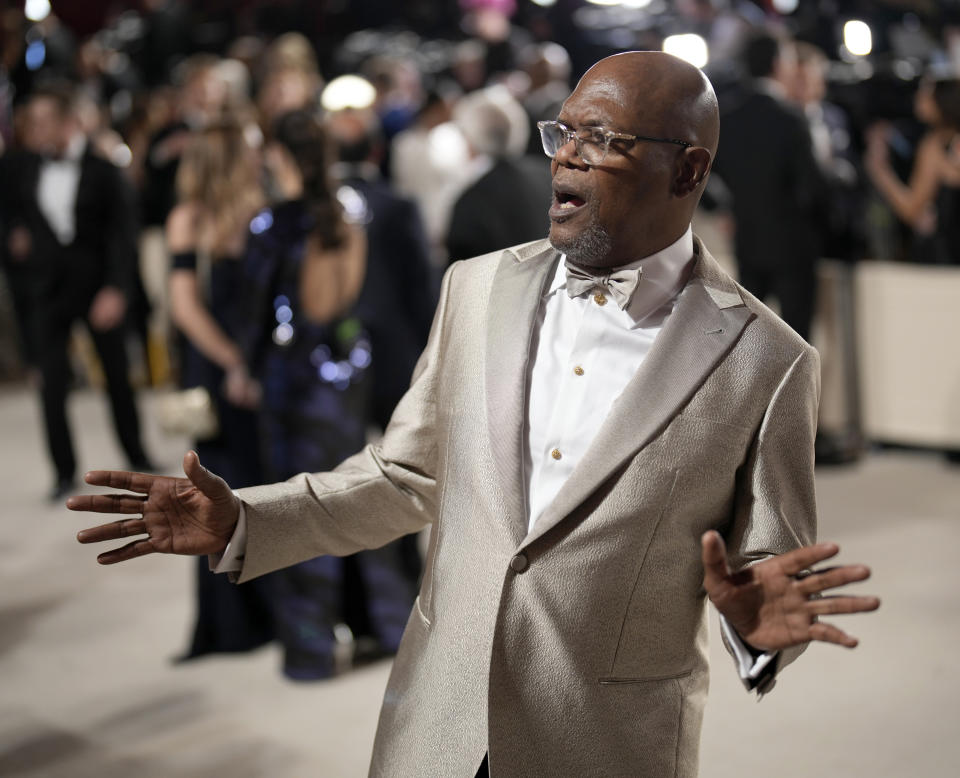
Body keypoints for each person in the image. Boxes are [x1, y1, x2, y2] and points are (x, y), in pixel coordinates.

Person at [69, 52, 879, 778]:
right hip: (438, 727)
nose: (567, 152)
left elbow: (776, 577)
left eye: (604, 139)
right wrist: (246, 517)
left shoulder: (768, 362)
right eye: (563, 131)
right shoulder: (477, 287)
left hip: (609, 746)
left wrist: (762, 630)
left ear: (689, 170)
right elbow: (402, 477)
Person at [242, 109, 417, 678]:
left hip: (294, 385)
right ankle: (387, 627)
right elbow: (341, 304)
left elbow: (274, 313)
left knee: (297, 513)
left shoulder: (278, 224)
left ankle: (311, 650)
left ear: (282, 157)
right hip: (348, 373)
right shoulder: (350, 214)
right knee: (354, 501)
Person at [3, 84, 153, 500]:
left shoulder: (104, 170)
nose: (35, 130)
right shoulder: (24, 168)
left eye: (44, 122)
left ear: (69, 122)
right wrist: (15, 237)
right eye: (31, 123)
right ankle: (63, 472)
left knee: (117, 378)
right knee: (51, 386)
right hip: (47, 293)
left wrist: (117, 289)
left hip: (98, 290)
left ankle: (138, 456)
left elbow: (124, 235)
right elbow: (12, 216)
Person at [165, 119, 274, 660]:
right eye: (253, 149)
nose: (262, 157)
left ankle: (274, 614)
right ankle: (233, 624)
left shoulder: (262, 212)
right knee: (218, 492)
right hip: (219, 365)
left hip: (259, 361)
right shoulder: (190, 220)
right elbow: (183, 307)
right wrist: (236, 363)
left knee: (270, 484)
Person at [712, 32, 826, 341]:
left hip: (747, 243)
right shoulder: (791, 119)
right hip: (793, 246)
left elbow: (707, 175)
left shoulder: (729, 118)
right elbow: (814, 187)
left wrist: (728, 206)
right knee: (797, 342)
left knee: (750, 341)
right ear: (778, 64)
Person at [865, 75, 960, 266]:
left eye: (925, 94)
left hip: (947, 254)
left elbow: (911, 209)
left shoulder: (934, 146)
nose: (917, 98)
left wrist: (879, 170)